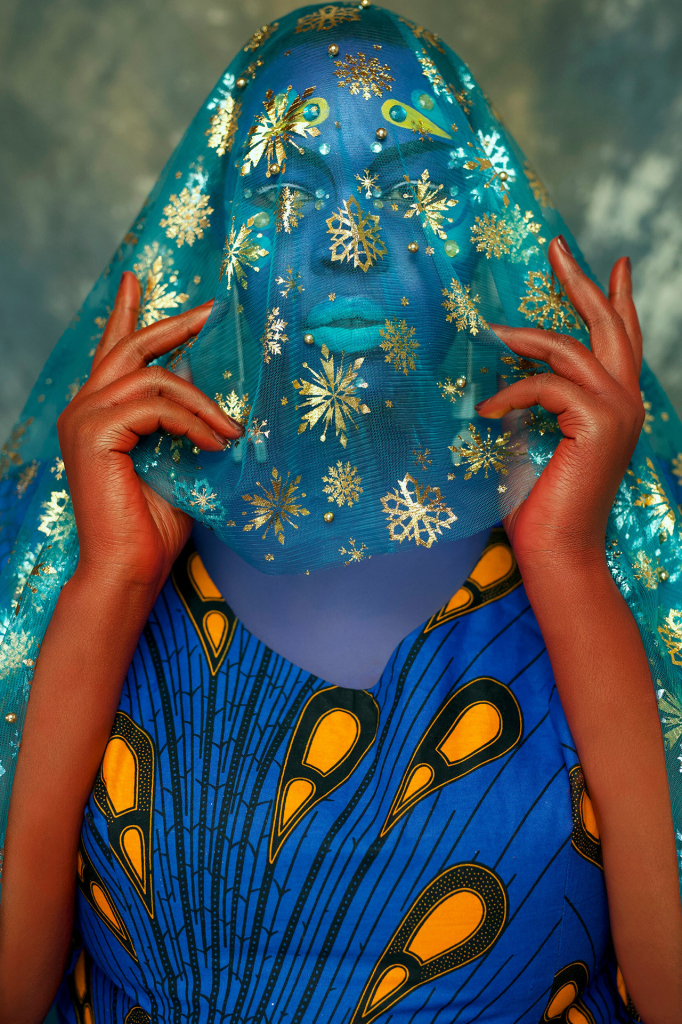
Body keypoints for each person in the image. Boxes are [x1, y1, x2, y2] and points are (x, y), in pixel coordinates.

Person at [0, 6, 681, 1022]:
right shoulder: (77, 544)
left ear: (481, 228)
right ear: (217, 235)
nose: (349, 241)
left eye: (409, 185)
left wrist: (569, 563)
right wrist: (112, 583)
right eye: (286, 186)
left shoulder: (612, 542)